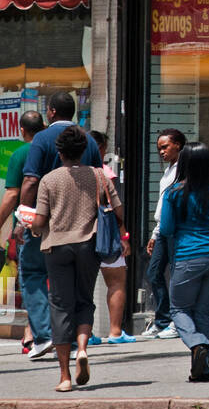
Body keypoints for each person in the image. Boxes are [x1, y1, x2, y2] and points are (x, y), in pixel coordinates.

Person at [30, 125, 122, 392]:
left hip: (57, 247)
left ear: (60, 153)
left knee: (60, 305)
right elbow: (117, 209)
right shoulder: (98, 175)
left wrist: (32, 227)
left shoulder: (49, 180)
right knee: (84, 299)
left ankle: (64, 376)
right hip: (88, 245)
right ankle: (82, 348)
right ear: (84, 151)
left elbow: (40, 221)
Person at [19, 94, 102, 361]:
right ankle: (78, 342)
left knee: (33, 273)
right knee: (77, 288)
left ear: (51, 111)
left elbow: (31, 181)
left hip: (46, 224)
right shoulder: (87, 139)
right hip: (83, 226)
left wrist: (24, 218)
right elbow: (100, 179)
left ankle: (44, 335)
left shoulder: (41, 139)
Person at [159, 142, 209, 383]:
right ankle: (201, 370)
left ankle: (196, 342)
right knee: (203, 311)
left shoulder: (173, 193)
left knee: (179, 309)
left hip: (186, 257)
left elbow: (167, 228)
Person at [0, 112, 45, 354]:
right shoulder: (53, 150)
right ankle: (37, 332)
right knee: (51, 279)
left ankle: (35, 334)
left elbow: (12, 195)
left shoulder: (21, 153)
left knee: (31, 280)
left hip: (28, 226)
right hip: (58, 226)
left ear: (22, 130)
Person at [87, 131, 133, 345]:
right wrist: (124, 236)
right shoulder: (103, 174)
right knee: (116, 282)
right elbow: (118, 211)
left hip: (77, 238)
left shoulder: (62, 174)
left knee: (82, 287)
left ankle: (85, 334)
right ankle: (115, 331)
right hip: (106, 236)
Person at [142, 129, 186, 340]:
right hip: (163, 229)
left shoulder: (184, 169)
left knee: (178, 275)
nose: (161, 151)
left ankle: (177, 321)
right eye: (159, 148)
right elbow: (162, 204)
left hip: (178, 229)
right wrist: (154, 232)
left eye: (165, 146)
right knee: (154, 272)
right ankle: (162, 319)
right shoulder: (169, 170)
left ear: (177, 145)